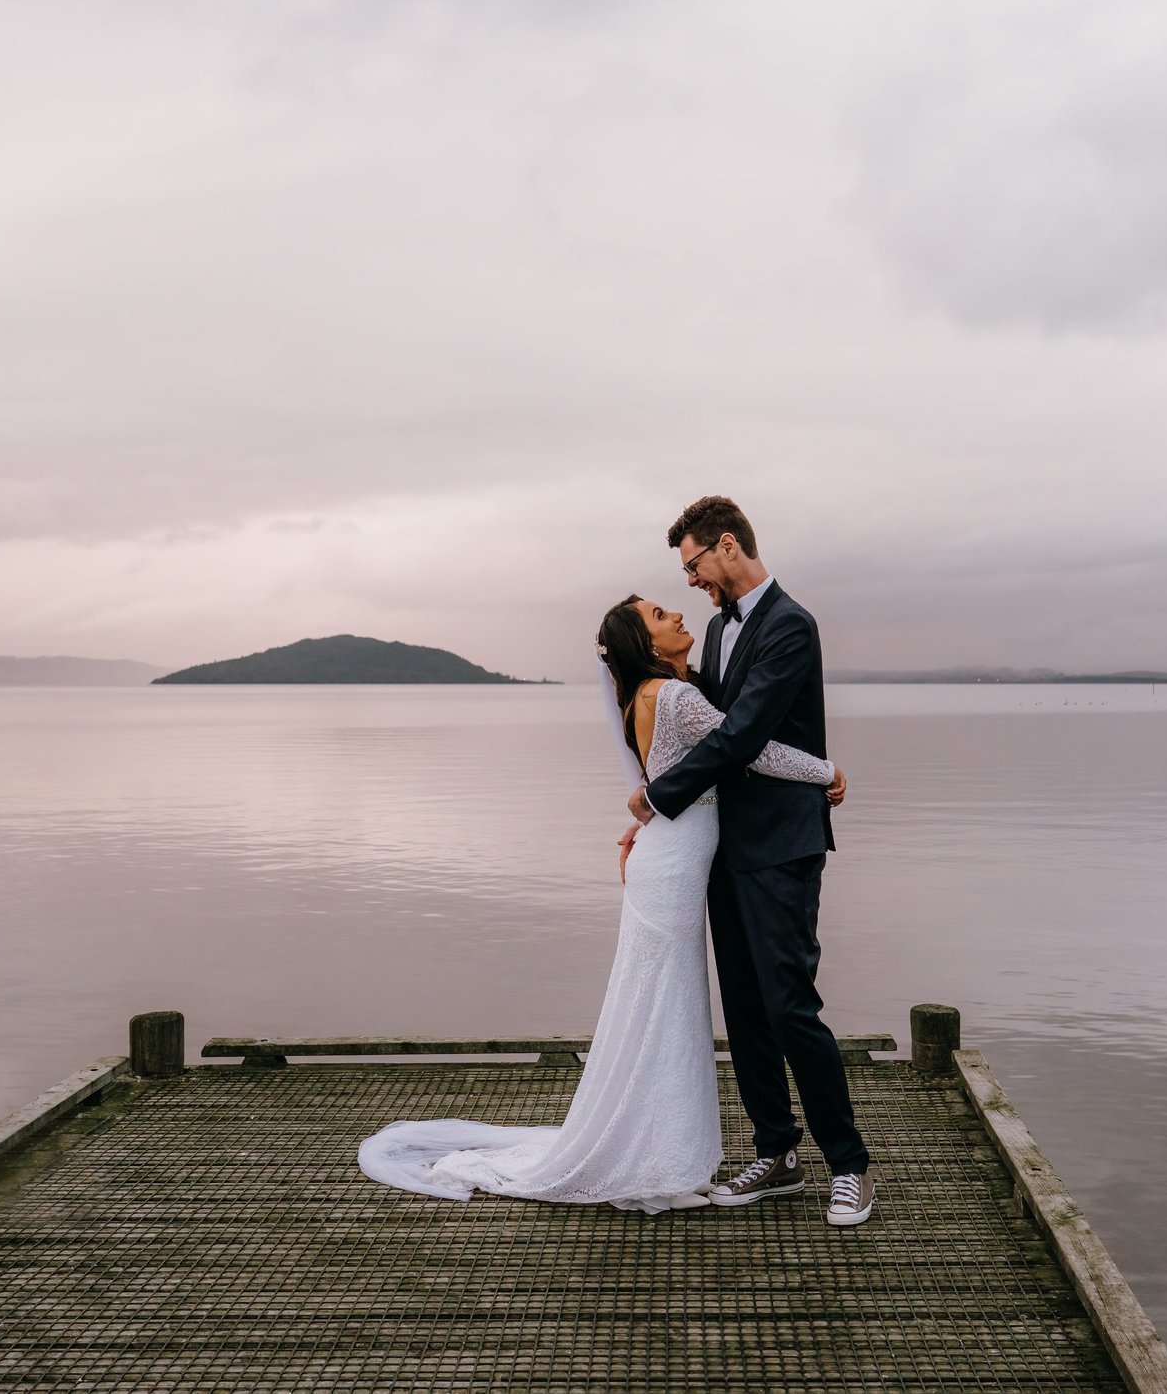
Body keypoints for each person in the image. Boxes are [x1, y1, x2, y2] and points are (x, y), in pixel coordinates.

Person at [356, 590, 846, 1213]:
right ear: (646, 644)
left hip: (669, 858)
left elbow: (659, 780)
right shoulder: (672, 696)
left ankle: (663, 1140)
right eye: (660, 616)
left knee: (656, 1005)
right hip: (673, 870)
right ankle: (654, 1148)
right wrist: (825, 770)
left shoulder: (646, 696)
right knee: (664, 1005)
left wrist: (642, 818)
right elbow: (750, 748)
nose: (676, 616)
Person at [627, 495, 875, 1227]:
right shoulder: (714, 627)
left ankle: (851, 1165)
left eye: (695, 564)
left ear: (727, 545)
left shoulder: (792, 625)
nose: (693, 582)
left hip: (782, 846)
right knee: (744, 1005)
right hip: (725, 843)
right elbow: (706, 720)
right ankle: (776, 1152)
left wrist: (655, 800)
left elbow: (739, 737)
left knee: (791, 1004)